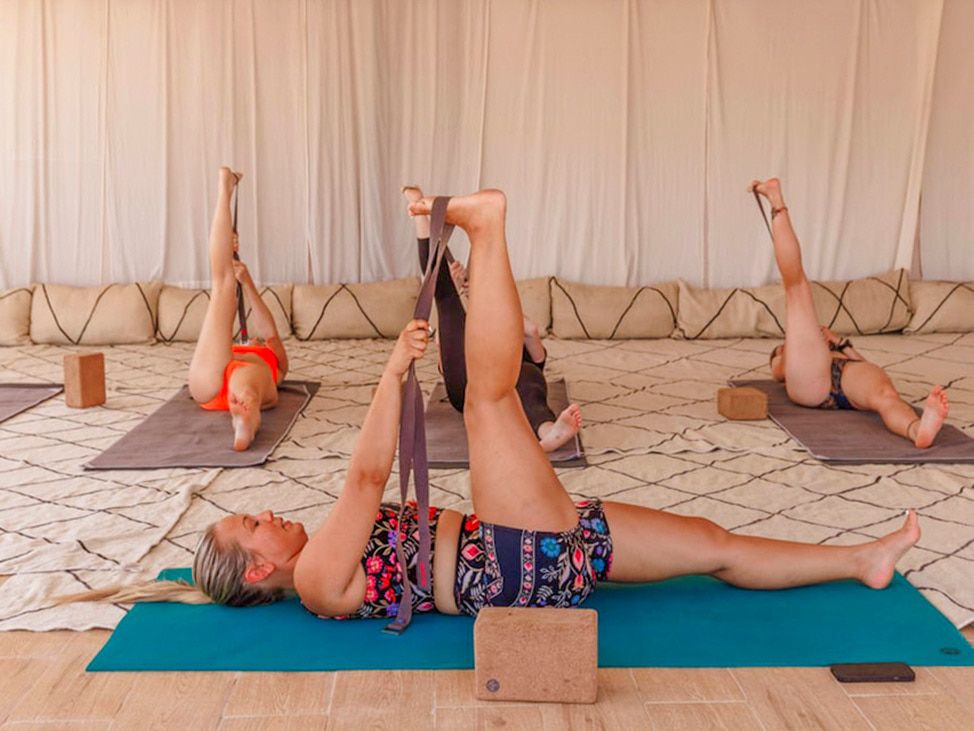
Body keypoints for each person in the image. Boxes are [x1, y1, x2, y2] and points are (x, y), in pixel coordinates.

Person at [58, 190, 921, 620]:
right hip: (518, 558)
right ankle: (491, 227)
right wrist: (392, 370)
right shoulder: (318, 579)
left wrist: (399, 368)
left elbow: (369, 479)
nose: (269, 512)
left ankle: (861, 560)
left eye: (254, 510)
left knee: (716, 544)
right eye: (254, 524)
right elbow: (367, 474)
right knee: (488, 399)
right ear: (257, 571)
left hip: (535, 538)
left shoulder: (319, 554)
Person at [753, 177, 949, 448]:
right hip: (814, 384)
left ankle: (917, 430)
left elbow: (863, 363)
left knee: (886, 396)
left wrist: (841, 344)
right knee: (796, 288)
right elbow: (779, 372)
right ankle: (777, 202)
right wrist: (792, 348)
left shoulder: (831, 350)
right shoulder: (783, 359)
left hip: (848, 374)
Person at [401, 185, 580, 454]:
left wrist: (479, 298)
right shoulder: (474, 327)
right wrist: (458, 289)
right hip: (468, 387)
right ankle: (421, 216)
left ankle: (549, 433)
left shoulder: (526, 358)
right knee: (445, 297)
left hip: (509, 386)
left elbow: (531, 330)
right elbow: (445, 353)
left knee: (526, 379)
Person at [188, 167, 289, 452]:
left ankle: (225, 189)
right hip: (219, 378)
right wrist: (240, 275)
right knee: (223, 285)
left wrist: (247, 282)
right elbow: (269, 332)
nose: (254, 339)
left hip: (208, 384)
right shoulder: (268, 358)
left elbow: (268, 329)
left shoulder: (274, 363)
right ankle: (247, 415)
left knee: (223, 286)